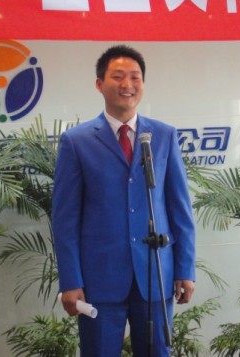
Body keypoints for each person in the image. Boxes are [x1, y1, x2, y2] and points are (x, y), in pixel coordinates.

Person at [52, 45, 196, 356]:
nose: (127, 84)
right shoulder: (76, 142)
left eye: (135, 77)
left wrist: (185, 269)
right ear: (99, 84)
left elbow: (179, 209)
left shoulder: (163, 136)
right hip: (99, 280)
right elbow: (65, 221)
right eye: (118, 77)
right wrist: (71, 280)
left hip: (155, 274)